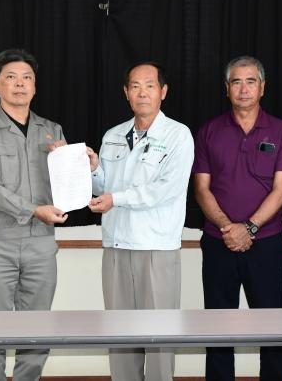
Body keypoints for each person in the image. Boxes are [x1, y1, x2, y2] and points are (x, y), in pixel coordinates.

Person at [0, 48, 68, 380]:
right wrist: (33, 210)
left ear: (35, 86)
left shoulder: (52, 131)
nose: (20, 84)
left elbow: (67, 182)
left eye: (27, 78)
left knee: (37, 330)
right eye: (11, 77)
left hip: (41, 246)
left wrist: (84, 165)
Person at [87, 62, 194, 381]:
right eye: (135, 86)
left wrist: (115, 198)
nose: (142, 92)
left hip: (156, 247)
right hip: (116, 247)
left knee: (160, 336)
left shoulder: (178, 135)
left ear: (163, 91)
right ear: (126, 92)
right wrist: (92, 169)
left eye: (149, 86)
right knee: (119, 336)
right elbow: (102, 188)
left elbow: (165, 189)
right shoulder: (113, 135)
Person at [193, 55, 282, 381]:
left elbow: (281, 190)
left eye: (251, 81)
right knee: (218, 329)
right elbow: (201, 189)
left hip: (266, 243)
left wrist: (248, 228)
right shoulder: (209, 131)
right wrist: (229, 228)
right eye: (236, 82)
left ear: (262, 87)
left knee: (273, 329)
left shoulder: (281, 131)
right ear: (227, 88)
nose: (244, 89)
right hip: (218, 241)